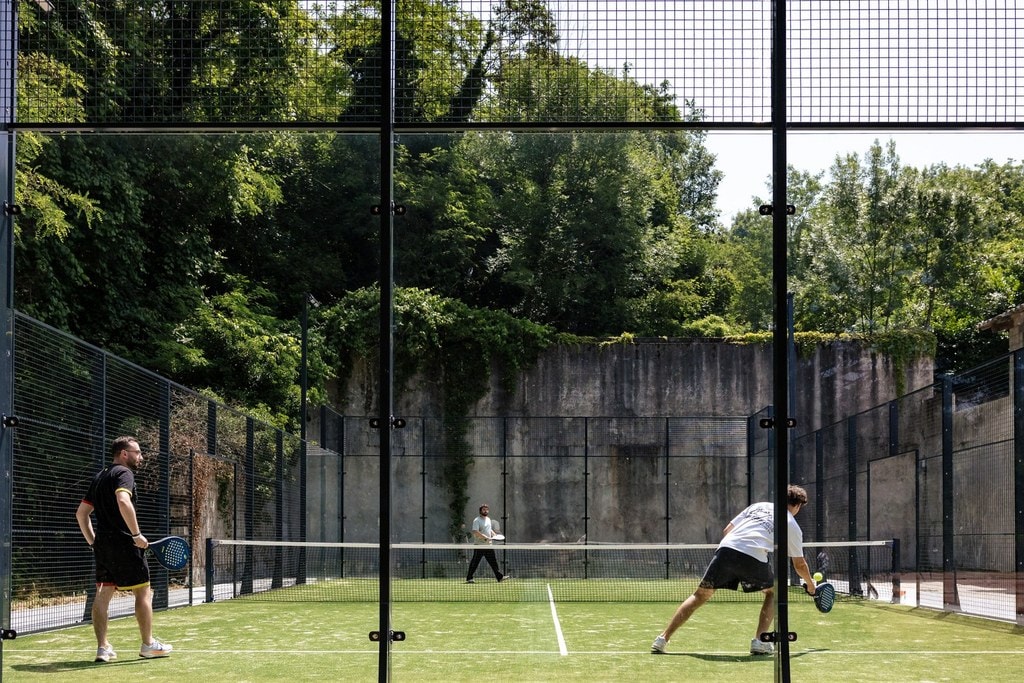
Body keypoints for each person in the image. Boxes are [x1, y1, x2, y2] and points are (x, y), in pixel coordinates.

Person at [650, 484, 816, 656]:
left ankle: (662, 639)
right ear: (797, 506)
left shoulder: (759, 506)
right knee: (774, 593)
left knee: (699, 596)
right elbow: (799, 564)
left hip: (726, 549)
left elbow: (727, 530)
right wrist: (811, 586)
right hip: (752, 557)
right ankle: (759, 641)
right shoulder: (792, 524)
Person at [76, 436, 174, 662]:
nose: (141, 457)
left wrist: (94, 543)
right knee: (143, 591)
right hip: (125, 544)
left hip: (104, 546)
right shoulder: (124, 473)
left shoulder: (100, 477)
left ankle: (103, 648)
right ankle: (148, 645)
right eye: (137, 452)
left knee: (103, 594)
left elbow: (81, 514)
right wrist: (136, 535)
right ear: (124, 454)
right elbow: (123, 501)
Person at [465, 504, 509, 583]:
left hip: (488, 545)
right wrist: (484, 537)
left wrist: (494, 534)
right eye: (484, 509)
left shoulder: (488, 519)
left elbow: (489, 529)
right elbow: (475, 531)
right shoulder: (477, 520)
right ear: (480, 511)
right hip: (479, 546)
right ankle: (469, 578)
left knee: (493, 562)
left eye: (487, 509)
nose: (486, 511)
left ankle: (499, 577)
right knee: (475, 562)